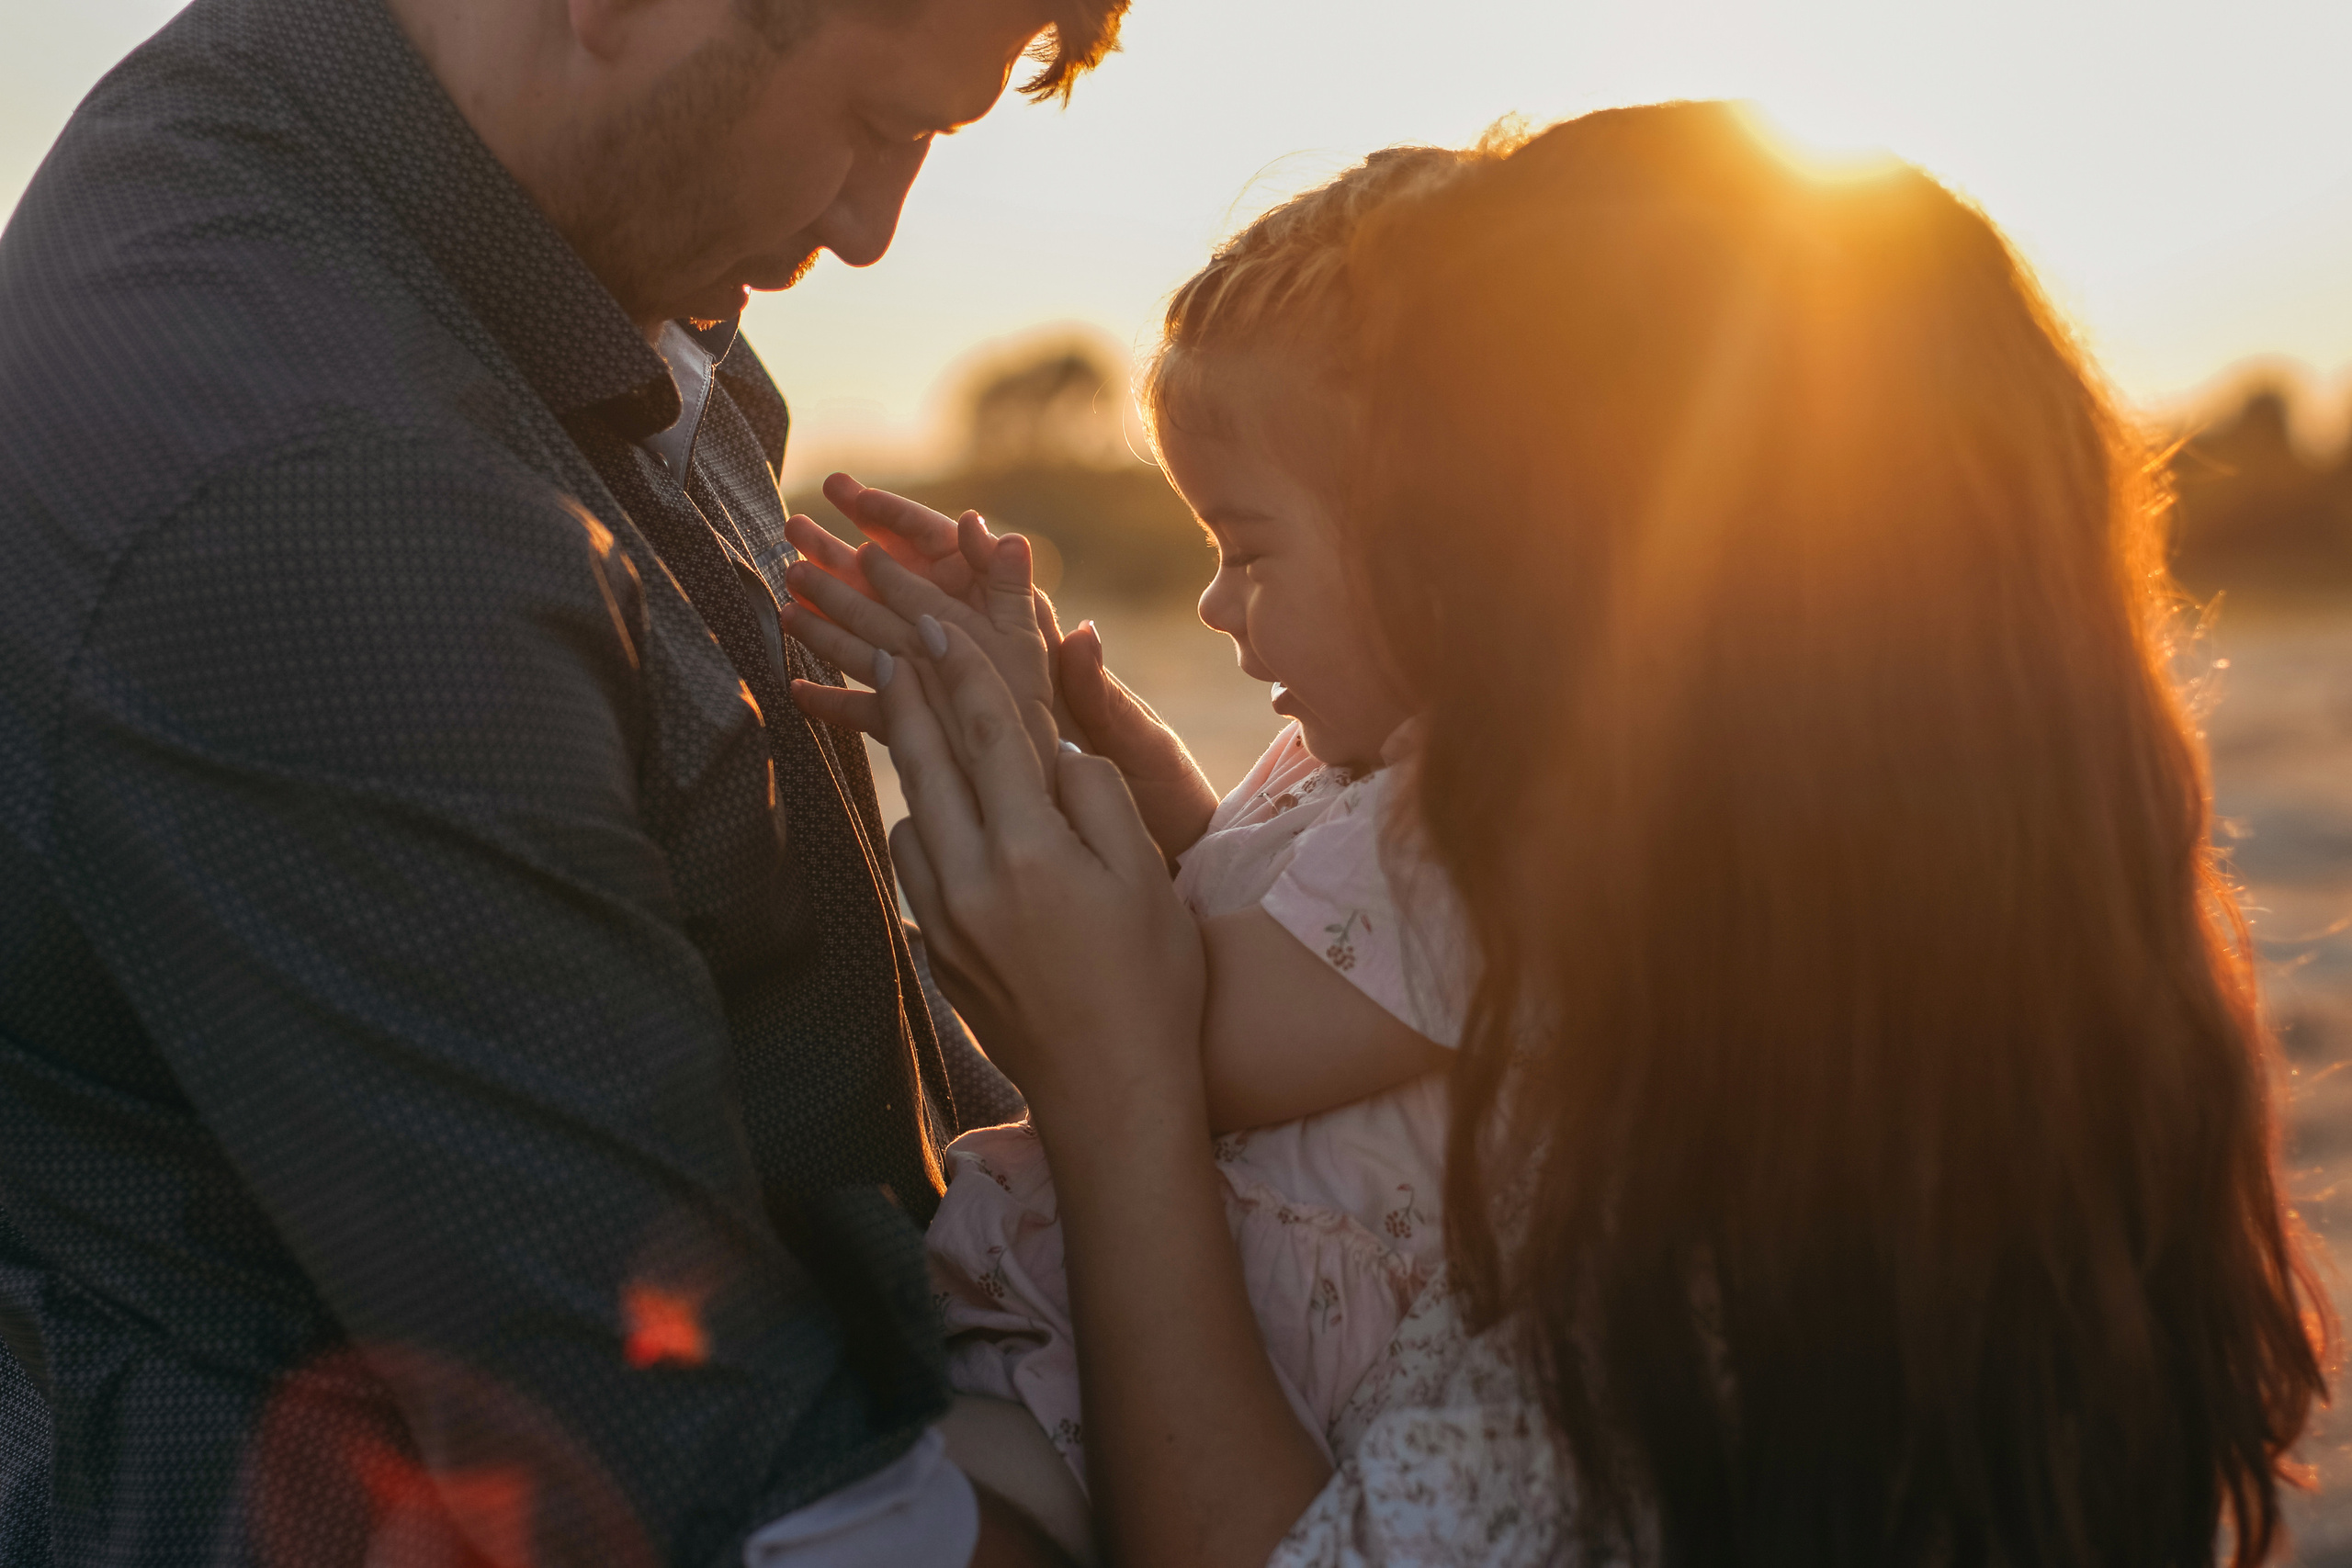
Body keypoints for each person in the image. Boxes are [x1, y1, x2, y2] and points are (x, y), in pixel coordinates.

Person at [783, 100, 2333, 1567]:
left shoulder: (1720, 1191)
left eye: (1441, 514)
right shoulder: (1902, 999)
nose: (1415, 596)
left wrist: (1110, 1076)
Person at [0, 0, 1123, 1563]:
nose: (875, 232)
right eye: (880, 127)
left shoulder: (526, 206)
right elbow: (727, 1494)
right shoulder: (322, 498)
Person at [788, 148, 1493, 1496]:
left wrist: (1003, 761)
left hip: (1228, 1373)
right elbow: (1217, 893)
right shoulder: (1352, 764)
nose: (1219, 606)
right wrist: (1063, 734)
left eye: (1250, 549)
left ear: (1436, 548)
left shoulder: (1475, 848)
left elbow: (1150, 1029)